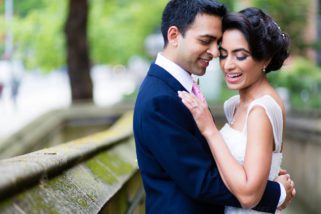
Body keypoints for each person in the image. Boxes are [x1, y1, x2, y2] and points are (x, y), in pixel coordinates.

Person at [133, 1, 294, 213]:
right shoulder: (160, 99)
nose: (215, 53)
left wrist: (262, 170)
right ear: (173, 36)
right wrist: (275, 192)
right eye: (206, 41)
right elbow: (201, 180)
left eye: (216, 43)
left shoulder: (176, 87)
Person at [178, 7, 295, 213]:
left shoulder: (261, 109)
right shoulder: (234, 105)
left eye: (240, 56)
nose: (228, 65)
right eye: (223, 55)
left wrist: (210, 130)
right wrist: (275, 187)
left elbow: (249, 195)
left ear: (265, 59)